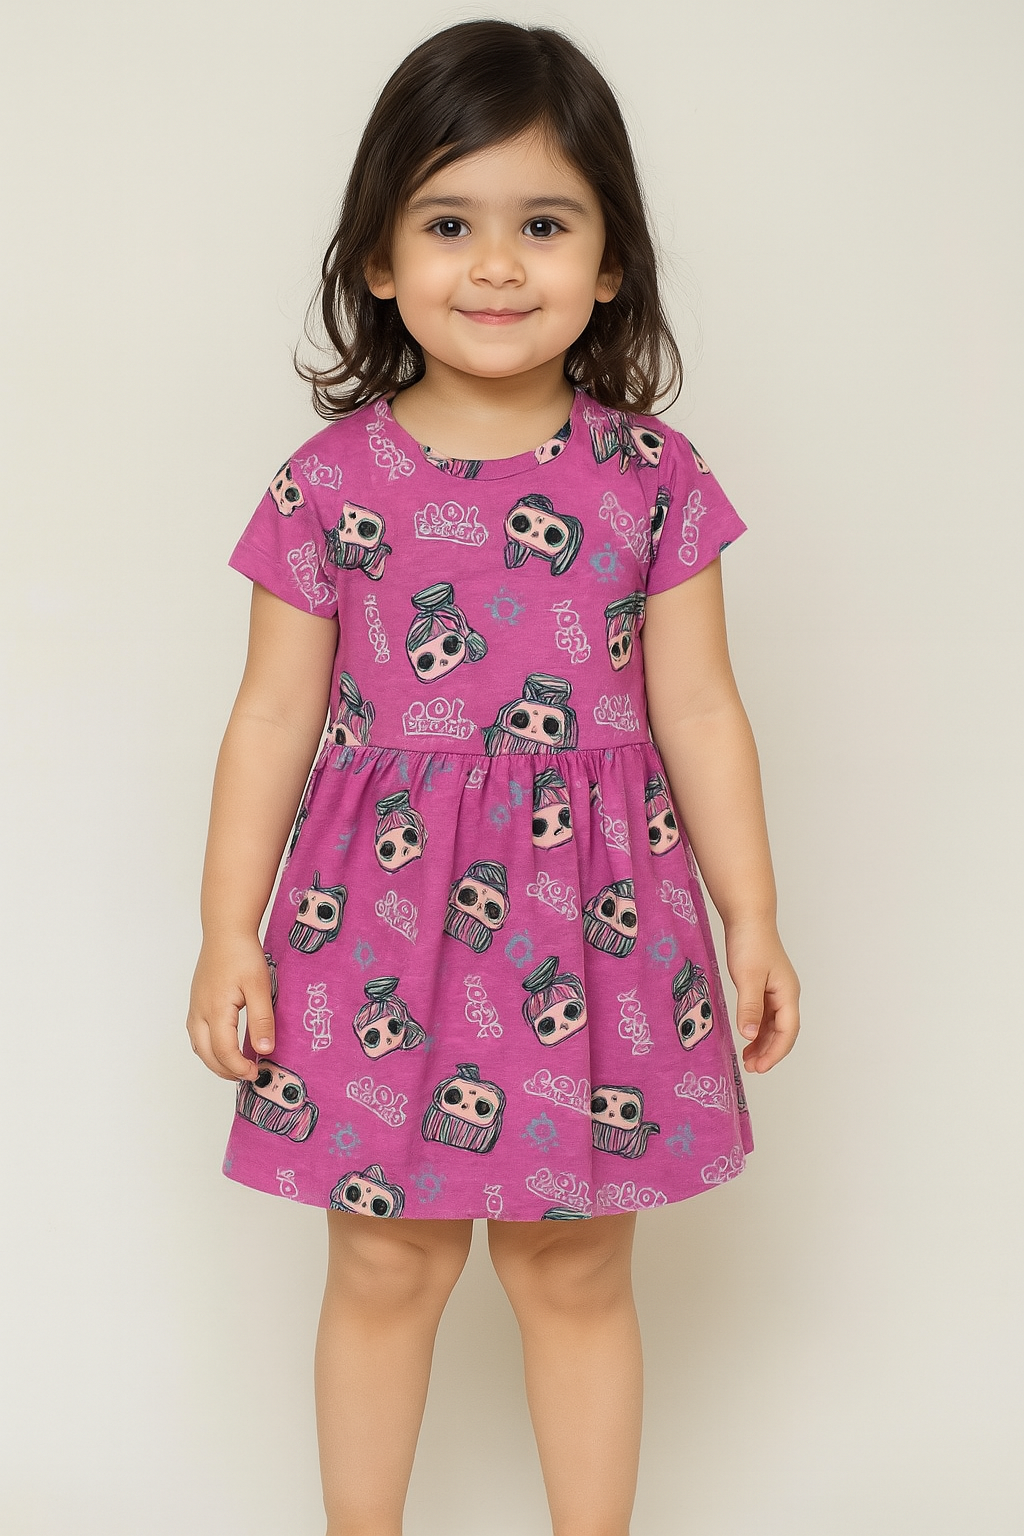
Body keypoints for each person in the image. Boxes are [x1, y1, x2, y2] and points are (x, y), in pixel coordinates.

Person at [187, 19, 800, 1536]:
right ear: (380, 260)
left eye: (545, 224)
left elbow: (701, 707)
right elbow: (270, 716)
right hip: (374, 934)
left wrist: (754, 917)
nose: (499, 266)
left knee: (572, 1260)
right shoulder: (328, 484)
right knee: (385, 1258)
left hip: (596, 925)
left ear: (612, 262)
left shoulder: (653, 479)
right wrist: (225, 933)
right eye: (450, 224)